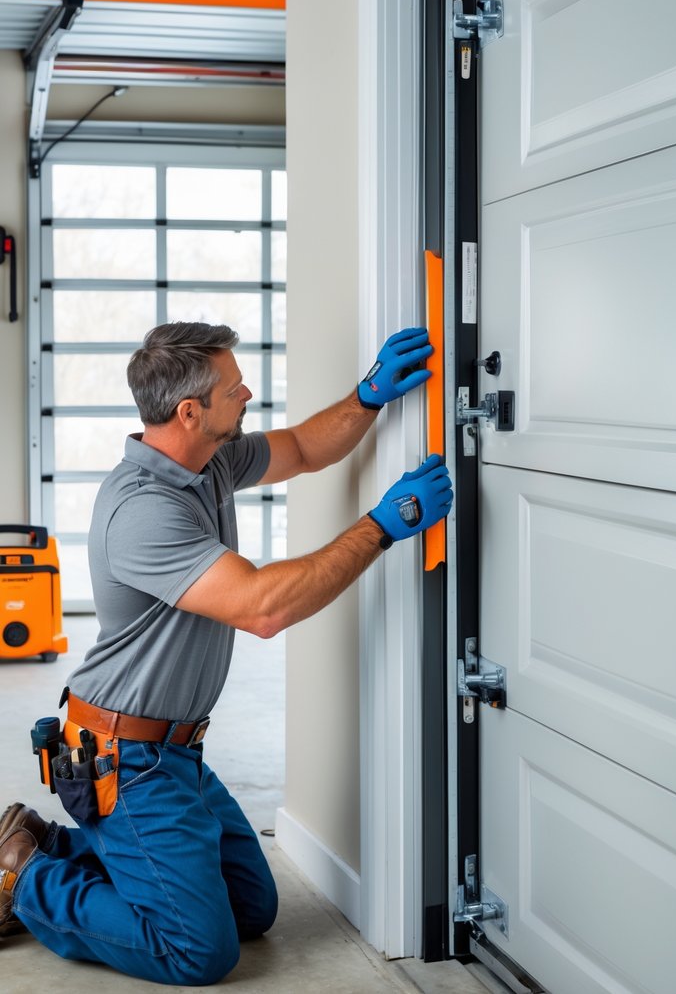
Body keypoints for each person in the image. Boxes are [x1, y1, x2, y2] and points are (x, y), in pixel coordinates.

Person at [0, 321, 452, 985]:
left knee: (251, 907)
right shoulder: (144, 509)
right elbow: (263, 606)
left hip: (172, 752)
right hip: (125, 760)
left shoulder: (206, 460)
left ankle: (49, 840)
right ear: (190, 411)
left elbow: (299, 447)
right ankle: (23, 875)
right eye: (232, 386)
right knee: (198, 949)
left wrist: (370, 393)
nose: (246, 393)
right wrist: (382, 526)